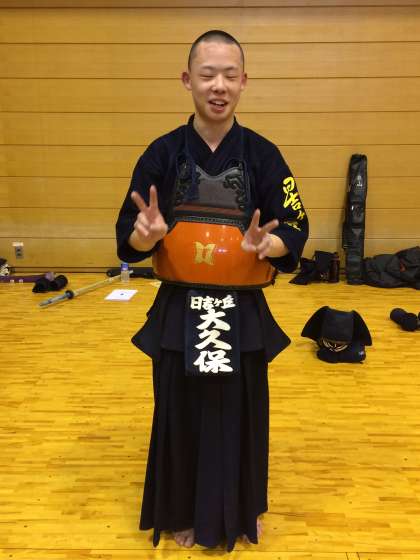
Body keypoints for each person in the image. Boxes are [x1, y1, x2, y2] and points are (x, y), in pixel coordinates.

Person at [116, 30, 309, 551]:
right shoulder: (161, 153)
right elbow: (127, 234)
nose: (218, 86)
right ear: (188, 81)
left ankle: (240, 508)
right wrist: (145, 236)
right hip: (180, 306)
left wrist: (268, 245)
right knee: (180, 411)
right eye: (207, 75)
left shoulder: (264, 155)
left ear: (244, 82)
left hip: (241, 307)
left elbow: (296, 226)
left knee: (240, 413)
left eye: (229, 75)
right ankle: (182, 510)